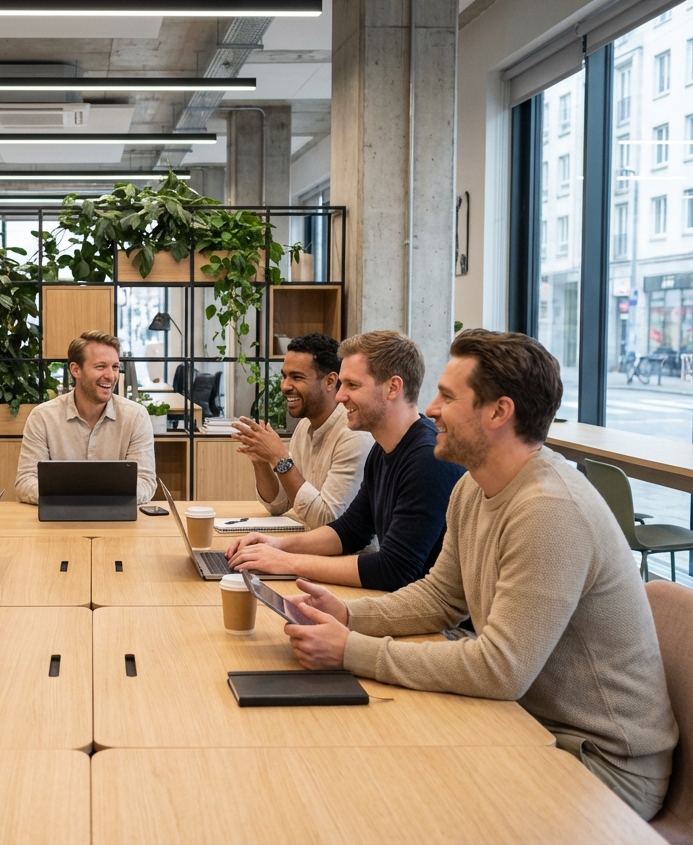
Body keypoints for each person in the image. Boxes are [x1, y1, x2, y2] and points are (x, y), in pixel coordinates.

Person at [279, 329, 677, 820]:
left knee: (397, 798)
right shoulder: (472, 487)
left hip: (602, 762)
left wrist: (351, 650)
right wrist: (347, 615)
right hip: (526, 721)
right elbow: (438, 598)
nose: (431, 410)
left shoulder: (549, 510)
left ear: (498, 412)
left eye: (448, 398)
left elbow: (500, 669)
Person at [226, 330, 464, 591]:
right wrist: (277, 545)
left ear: (393, 388)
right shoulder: (382, 450)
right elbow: (349, 531)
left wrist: (288, 562)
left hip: (430, 614)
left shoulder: (428, 459)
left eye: (352, 385)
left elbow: (395, 570)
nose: (339, 396)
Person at [232, 333, 372, 528]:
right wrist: (261, 461)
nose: (285, 386)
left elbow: (329, 522)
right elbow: (279, 504)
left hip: (346, 548)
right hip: (309, 542)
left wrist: (280, 459)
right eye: (284, 376)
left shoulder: (354, 435)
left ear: (330, 381)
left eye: (297, 377)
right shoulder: (305, 426)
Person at [15, 330, 156, 504]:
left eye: (115, 367)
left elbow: (145, 482)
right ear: (76, 370)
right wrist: (81, 498)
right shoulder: (42, 417)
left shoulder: (136, 417)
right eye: (100, 366)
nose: (111, 376)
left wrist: (86, 497)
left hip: (114, 516)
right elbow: (25, 481)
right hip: (60, 516)